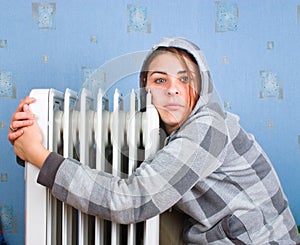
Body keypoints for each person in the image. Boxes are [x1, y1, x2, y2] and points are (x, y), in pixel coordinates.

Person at [8, 37, 300, 244]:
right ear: (146, 88)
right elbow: (102, 168)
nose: (172, 90)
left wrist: (39, 157)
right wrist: (33, 138)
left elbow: (129, 201)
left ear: (202, 89)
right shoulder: (157, 130)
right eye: (160, 80)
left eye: (185, 79)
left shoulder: (208, 128)